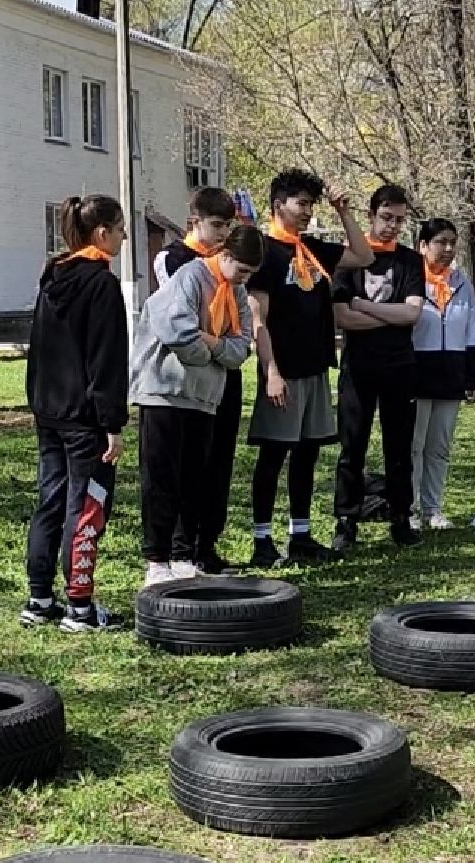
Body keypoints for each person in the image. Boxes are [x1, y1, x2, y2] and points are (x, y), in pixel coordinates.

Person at [245, 168, 375, 567]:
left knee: (306, 453)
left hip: (315, 368)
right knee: (274, 454)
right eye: (301, 203)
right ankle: (262, 540)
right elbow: (258, 319)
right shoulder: (264, 251)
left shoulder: (313, 250)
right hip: (282, 372)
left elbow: (364, 255)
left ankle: (299, 533)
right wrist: (271, 371)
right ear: (277, 205)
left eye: (311, 204)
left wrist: (343, 212)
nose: (307, 212)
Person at [132, 226, 264, 586]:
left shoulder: (235, 292)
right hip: (166, 391)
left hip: (205, 398)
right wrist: (213, 348)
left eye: (251, 274)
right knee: (161, 477)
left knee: (195, 478)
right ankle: (156, 558)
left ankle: (182, 551)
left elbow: (240, 351)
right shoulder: (190, 277)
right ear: (224, 255)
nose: (244, 279)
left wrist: (213, 344)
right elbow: (177, 332)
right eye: (242, 270)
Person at [22, 195, 129, 632]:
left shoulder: (52, 277)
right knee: (85, 505)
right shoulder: (101, 284)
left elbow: (39, 351)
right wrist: (113, 424)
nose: (123, 237)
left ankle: (39, 598)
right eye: (121, 229)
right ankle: (80, 609)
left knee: (50, 499)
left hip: (49, 412)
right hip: (85, 419)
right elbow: (106, 359)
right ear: (101, 232)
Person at [153, 188, 243, 572]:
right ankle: (178, 545)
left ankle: (207, 543)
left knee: (218, 461)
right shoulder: (174, 259)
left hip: (224, 368)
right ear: (195, 222)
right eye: (217, 225)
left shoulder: (230, 263)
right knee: (185, 465)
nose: (224, 234)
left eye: (229, 226)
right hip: (189, 375)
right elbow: (187, 318)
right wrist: (216, 342)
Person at [332, 184, 426, 550]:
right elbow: (342, 318)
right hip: (358, 365)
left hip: (400, 365)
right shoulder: (349, 260)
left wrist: (364, 306)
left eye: (400, 220)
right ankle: (346, 519)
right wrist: (392, 316)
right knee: (351, 445)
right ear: (371, 215)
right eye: (386, 218)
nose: (392, 226)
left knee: (399, 446)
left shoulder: (409, 261)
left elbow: (413, 313)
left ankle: (401, 517)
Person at [408, 218, 475, 530]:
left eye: (452, 242)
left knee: (439, 446)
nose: (448, 248)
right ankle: (408, 509)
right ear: (422, 246)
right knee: (414, 445)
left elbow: (472, 331)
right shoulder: (410, 282)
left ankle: (432, 508)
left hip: (451, 371)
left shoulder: (462, 284)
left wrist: (473, 376)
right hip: (417, 371)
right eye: (440, 242)